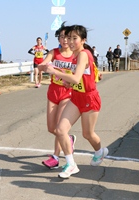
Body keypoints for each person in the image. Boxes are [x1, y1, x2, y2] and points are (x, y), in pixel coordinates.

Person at [39, 25, 108, 179]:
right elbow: (82, 79)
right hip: (76, 97)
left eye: (74, 38)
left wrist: (55, 72)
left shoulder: (84, 54)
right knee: (60, 129)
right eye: (68, 38)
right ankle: (71, 164)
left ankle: (99, 151)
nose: (70, 41)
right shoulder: (76, 56)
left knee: (88, 134)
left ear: (83, 40)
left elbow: (77, 77)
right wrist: (69, 84)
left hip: (90, 99)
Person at [37, 23, 76, 169]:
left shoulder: (75, 55)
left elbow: (82, 74)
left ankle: (56, 157)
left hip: (68, 93)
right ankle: (68, 139)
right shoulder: (54, 53)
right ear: (58, 39)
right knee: (51, 128)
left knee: (60, 127)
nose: (65, 40)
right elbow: (42, 65)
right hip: (53, 92)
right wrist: (47, 66)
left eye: (67, 37)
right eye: (61, 37)